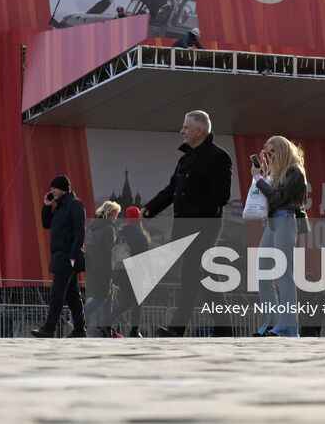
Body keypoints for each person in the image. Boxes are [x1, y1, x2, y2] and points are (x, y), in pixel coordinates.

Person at [142, 110, 232, 337]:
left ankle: (178, 327)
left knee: (192, 273)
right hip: (185, 226)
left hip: (204, 224)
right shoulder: (185, 159)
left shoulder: (218, 157)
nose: (181, 131)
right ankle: (223, 328)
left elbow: (220, 195)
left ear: (199, 130)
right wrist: (149, 208)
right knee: (200, 276)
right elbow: (171, 190)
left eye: (186, 127)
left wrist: (199, 217)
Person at [251, 135, 307, 337]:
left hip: (286, 220)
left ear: (283, 150)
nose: (269, 155)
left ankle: (288, 327)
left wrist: (258, 179)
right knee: (263, 272)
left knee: (285, 274)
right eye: (267, 151)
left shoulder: (295, 171)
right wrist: (264, 173)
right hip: (273, 221)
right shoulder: (277, 172)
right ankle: (271, 323)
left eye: (273, 151)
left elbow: (279, 197)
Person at [33, 175, 87, 337]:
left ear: (63, 188)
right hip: (60, 255)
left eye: (54, 188)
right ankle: (79, 329)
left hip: (67, 256)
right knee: (72, 296)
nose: (52, 191)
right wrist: (46, 206)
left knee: (57, 293)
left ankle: (49, 328)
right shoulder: (59, 206)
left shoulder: (75, 204)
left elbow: (80, 231)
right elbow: (46, 224)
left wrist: (73, 255)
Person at [108, 206, 151, 336]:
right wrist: (150, 273)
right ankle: (134, 330)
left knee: (126, 301)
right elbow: (145, 257)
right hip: (135, 272)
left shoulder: (121, 234)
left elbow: (114, 254)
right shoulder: (140, 235)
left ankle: (107, 320)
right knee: (137, 301)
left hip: (120, 273)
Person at [84, 200, 121, 336]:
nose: (117, 217)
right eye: (116, 214)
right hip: (104, 269)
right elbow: (109, 252)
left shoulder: (94, 227)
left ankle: (106, 328)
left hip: (93, 267)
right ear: (110, 213)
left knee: (108, 298)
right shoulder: (109, 229)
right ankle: (78, 317)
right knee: (101, 297)